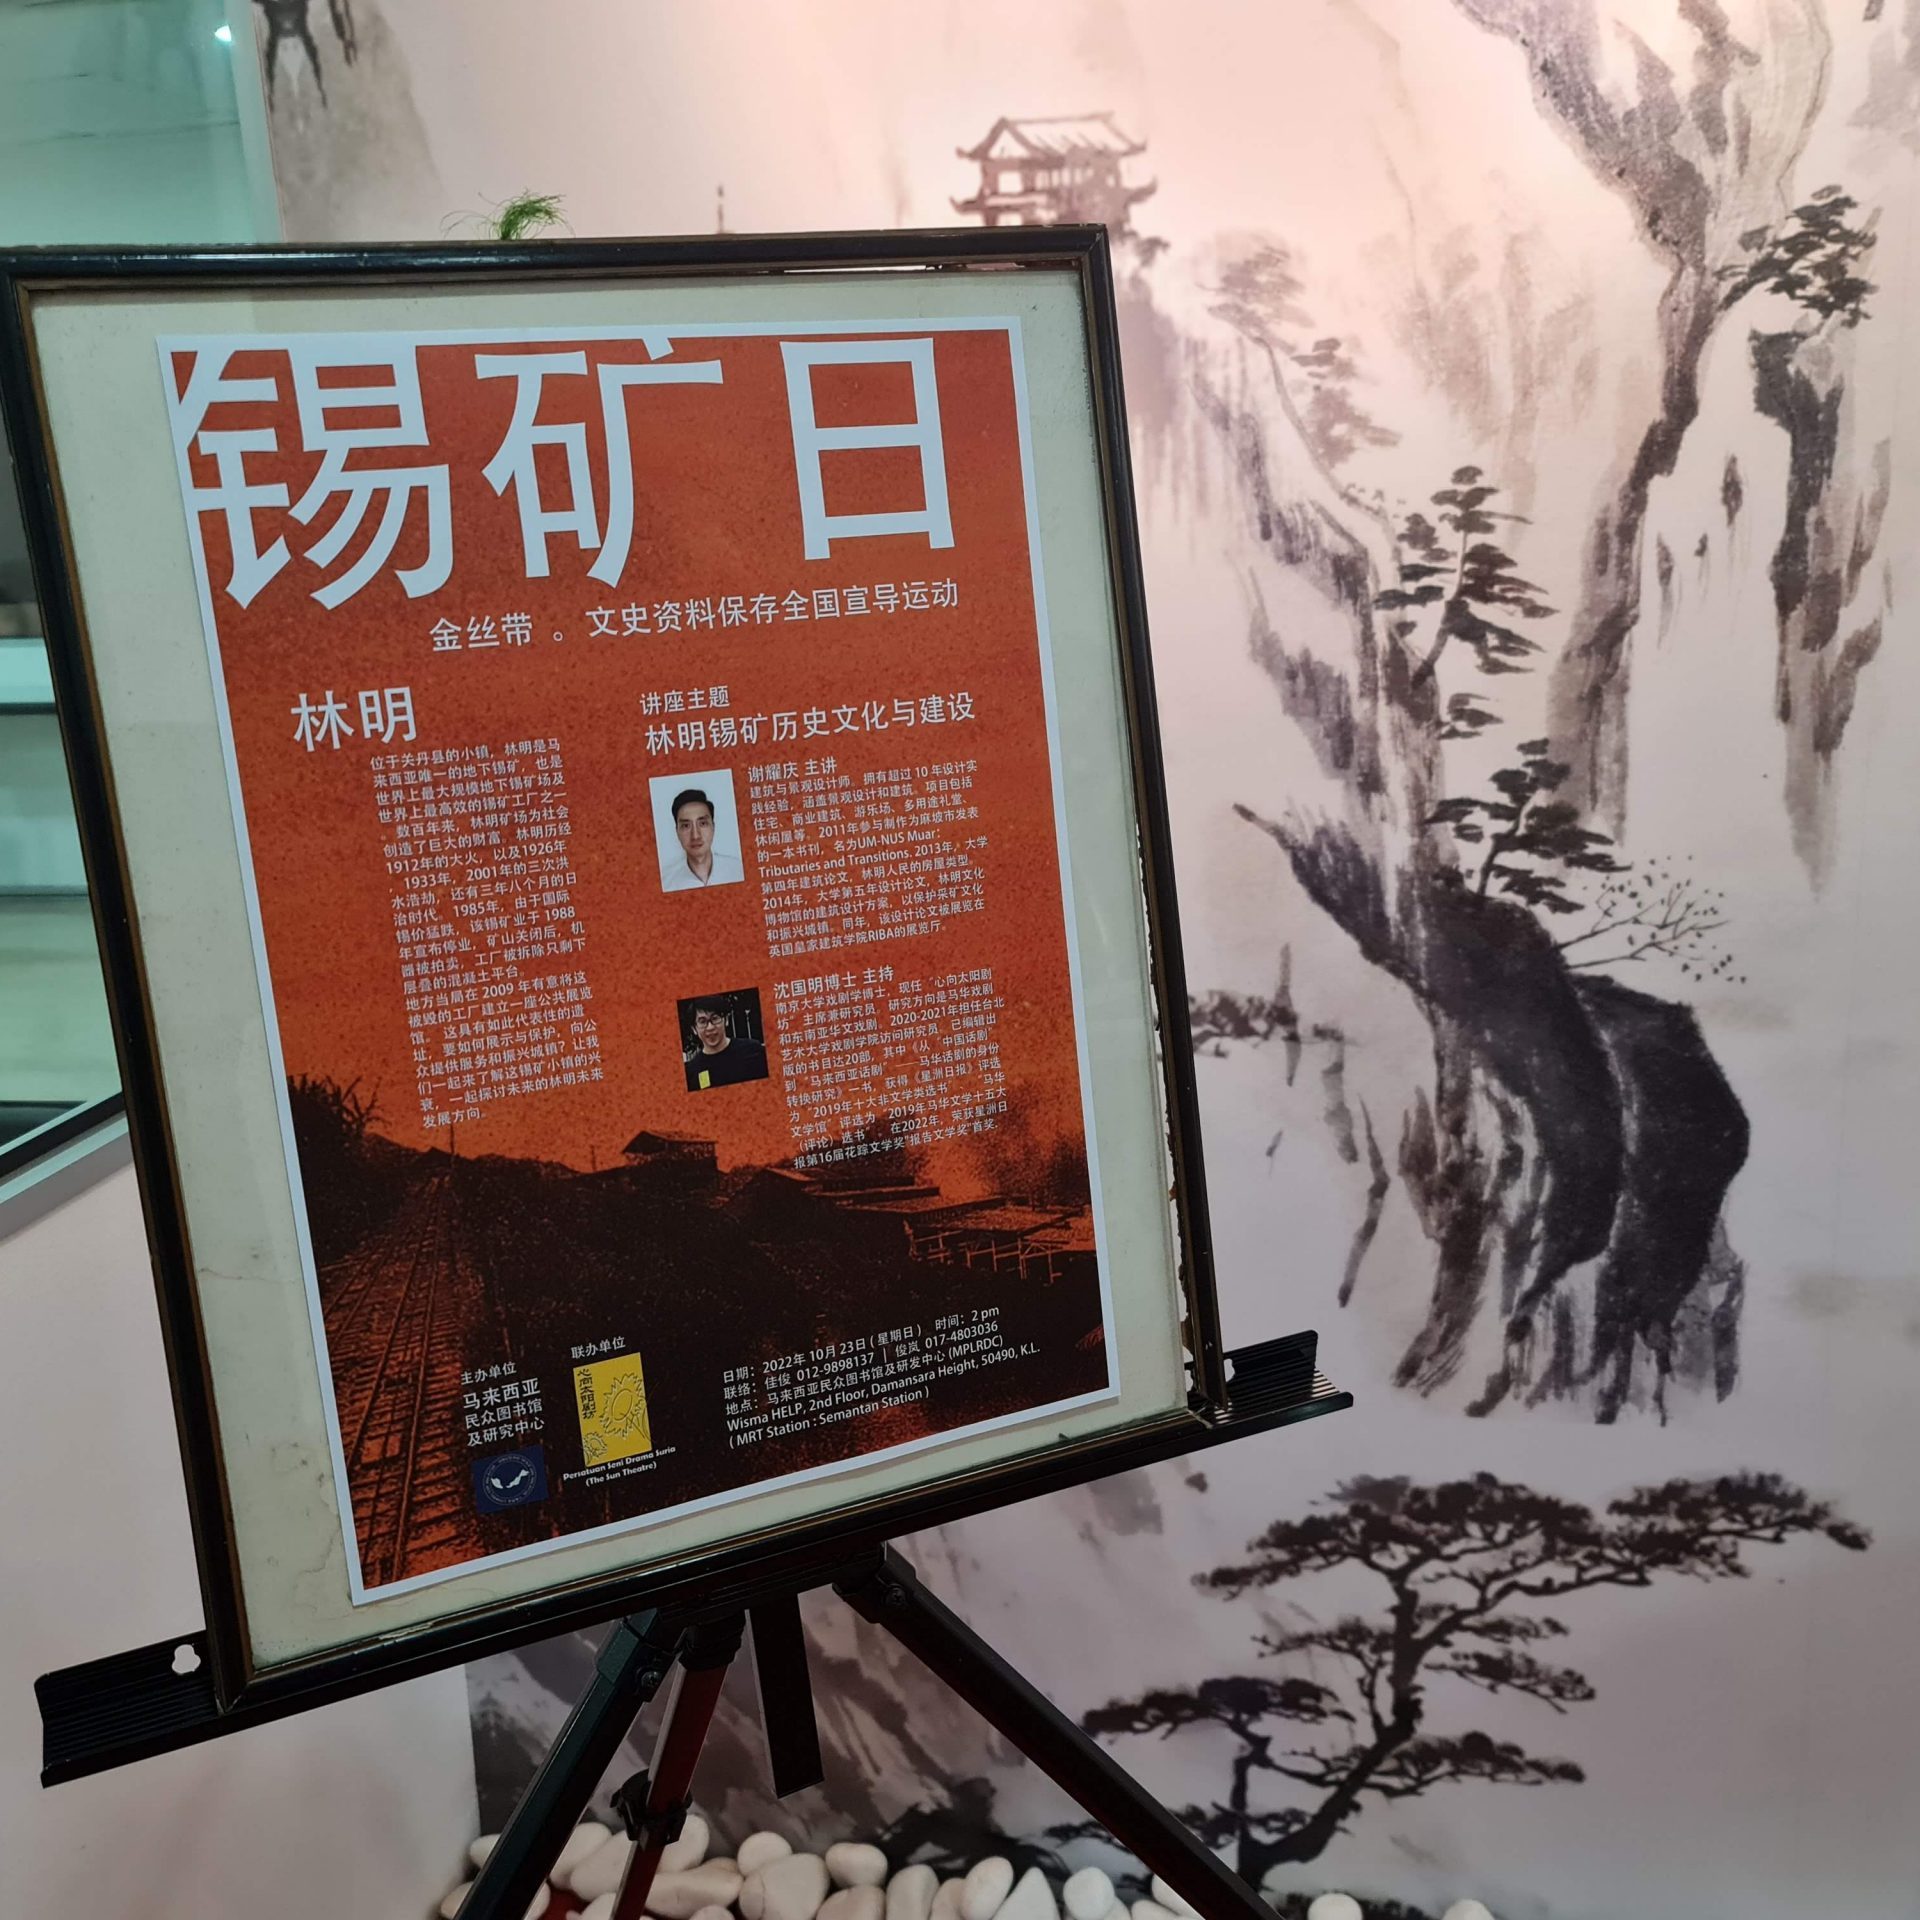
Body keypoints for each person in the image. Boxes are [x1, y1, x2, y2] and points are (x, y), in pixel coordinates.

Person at [661, 786, 744, 891]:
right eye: (686, 826)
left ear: (713, 827)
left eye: (703, 823)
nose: (695, 836)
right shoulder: (665, 882)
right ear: (677, 831)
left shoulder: (738, 870)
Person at [684, 999, 769, 1091]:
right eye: (702, 1021)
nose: (710, 1027)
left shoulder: (753, 1051)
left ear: (726, 1020)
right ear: (694, 1029)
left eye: (715, 1018)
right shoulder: (691, 1071)